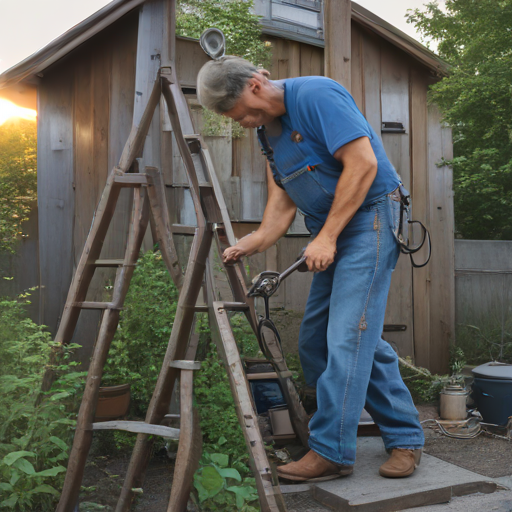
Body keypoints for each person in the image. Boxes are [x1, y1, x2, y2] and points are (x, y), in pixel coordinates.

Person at [196, 56, 424, 482]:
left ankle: (332, 451)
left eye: (240, 113)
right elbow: (280, 207)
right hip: (334, 231)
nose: (243, 122)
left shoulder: (317, 94)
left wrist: (326, 237)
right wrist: (253, 241)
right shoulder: (269, 134)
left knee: (346, 336)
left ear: (255, 87)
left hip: (372, 217)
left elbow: (363, 164)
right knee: (322, 341)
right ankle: (406, 435)